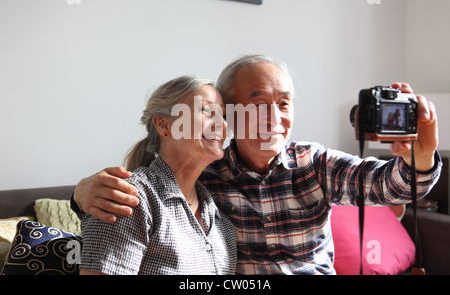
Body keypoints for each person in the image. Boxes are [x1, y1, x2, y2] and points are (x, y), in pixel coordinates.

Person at [73, 54, 441, 275]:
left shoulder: (312, 165)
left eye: (283, 103)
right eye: (257, 101)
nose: (273, 116)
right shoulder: (195, 179)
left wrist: (421, 153)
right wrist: (81, 193)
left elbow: (392, 185)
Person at [79, 76, 236, 275]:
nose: (222, 124)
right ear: (164, 125)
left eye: (222, 114)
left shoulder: (220, 218)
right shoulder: (127, 197)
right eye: (206, 110)